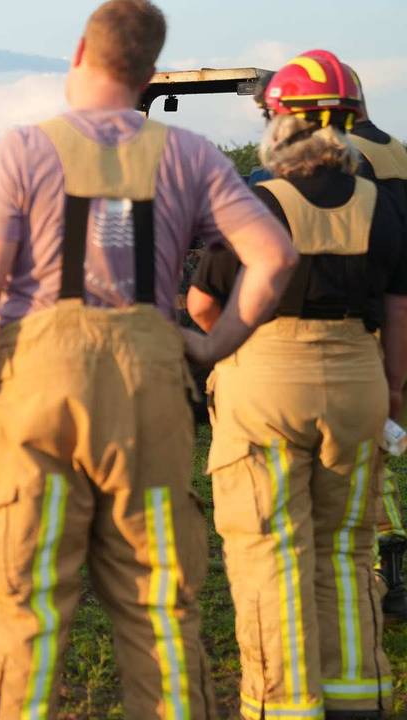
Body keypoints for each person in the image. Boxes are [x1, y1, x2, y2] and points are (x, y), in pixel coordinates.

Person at [0, 1, 299, 717]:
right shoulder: (192, 156)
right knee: (160, 608)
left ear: (80, 53)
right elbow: (273, 257)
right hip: (148, 393)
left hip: (40, 393)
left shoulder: (24, 150)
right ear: (149, 75)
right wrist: (211, 346)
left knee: (22, 603)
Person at [186, 50, 405, 718]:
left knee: (269, 549)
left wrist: (229, 349)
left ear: (280, 125)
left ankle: (282, 704)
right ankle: (357, 697)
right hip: (360, 382)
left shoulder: (255, 202)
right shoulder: (383, 204)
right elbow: (399, 310)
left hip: (268, 383)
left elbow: (202, 304)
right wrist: (394, 393)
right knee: (347, 549)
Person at [345, 64, 407, 623]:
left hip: (369, 319)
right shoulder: (399, 151)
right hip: (400, 310)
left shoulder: (347, 159)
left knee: (370, 452)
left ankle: (386, 570)